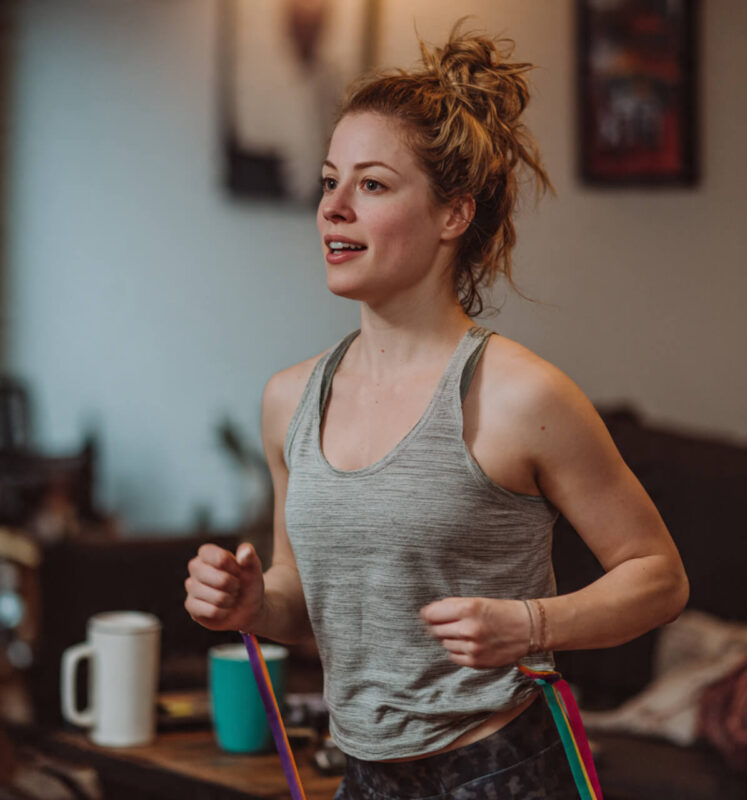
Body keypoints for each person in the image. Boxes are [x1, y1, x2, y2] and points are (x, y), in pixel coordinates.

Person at [185, 21, 689, 800]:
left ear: (454, 215)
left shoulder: (521, 395)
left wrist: (532, 626)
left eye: (373, 185)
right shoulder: (288, 399)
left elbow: (658, 578)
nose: (334, 209)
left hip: (502, 766)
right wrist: (254, 604)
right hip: (361, 773)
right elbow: (301, 600)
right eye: (329, 182)